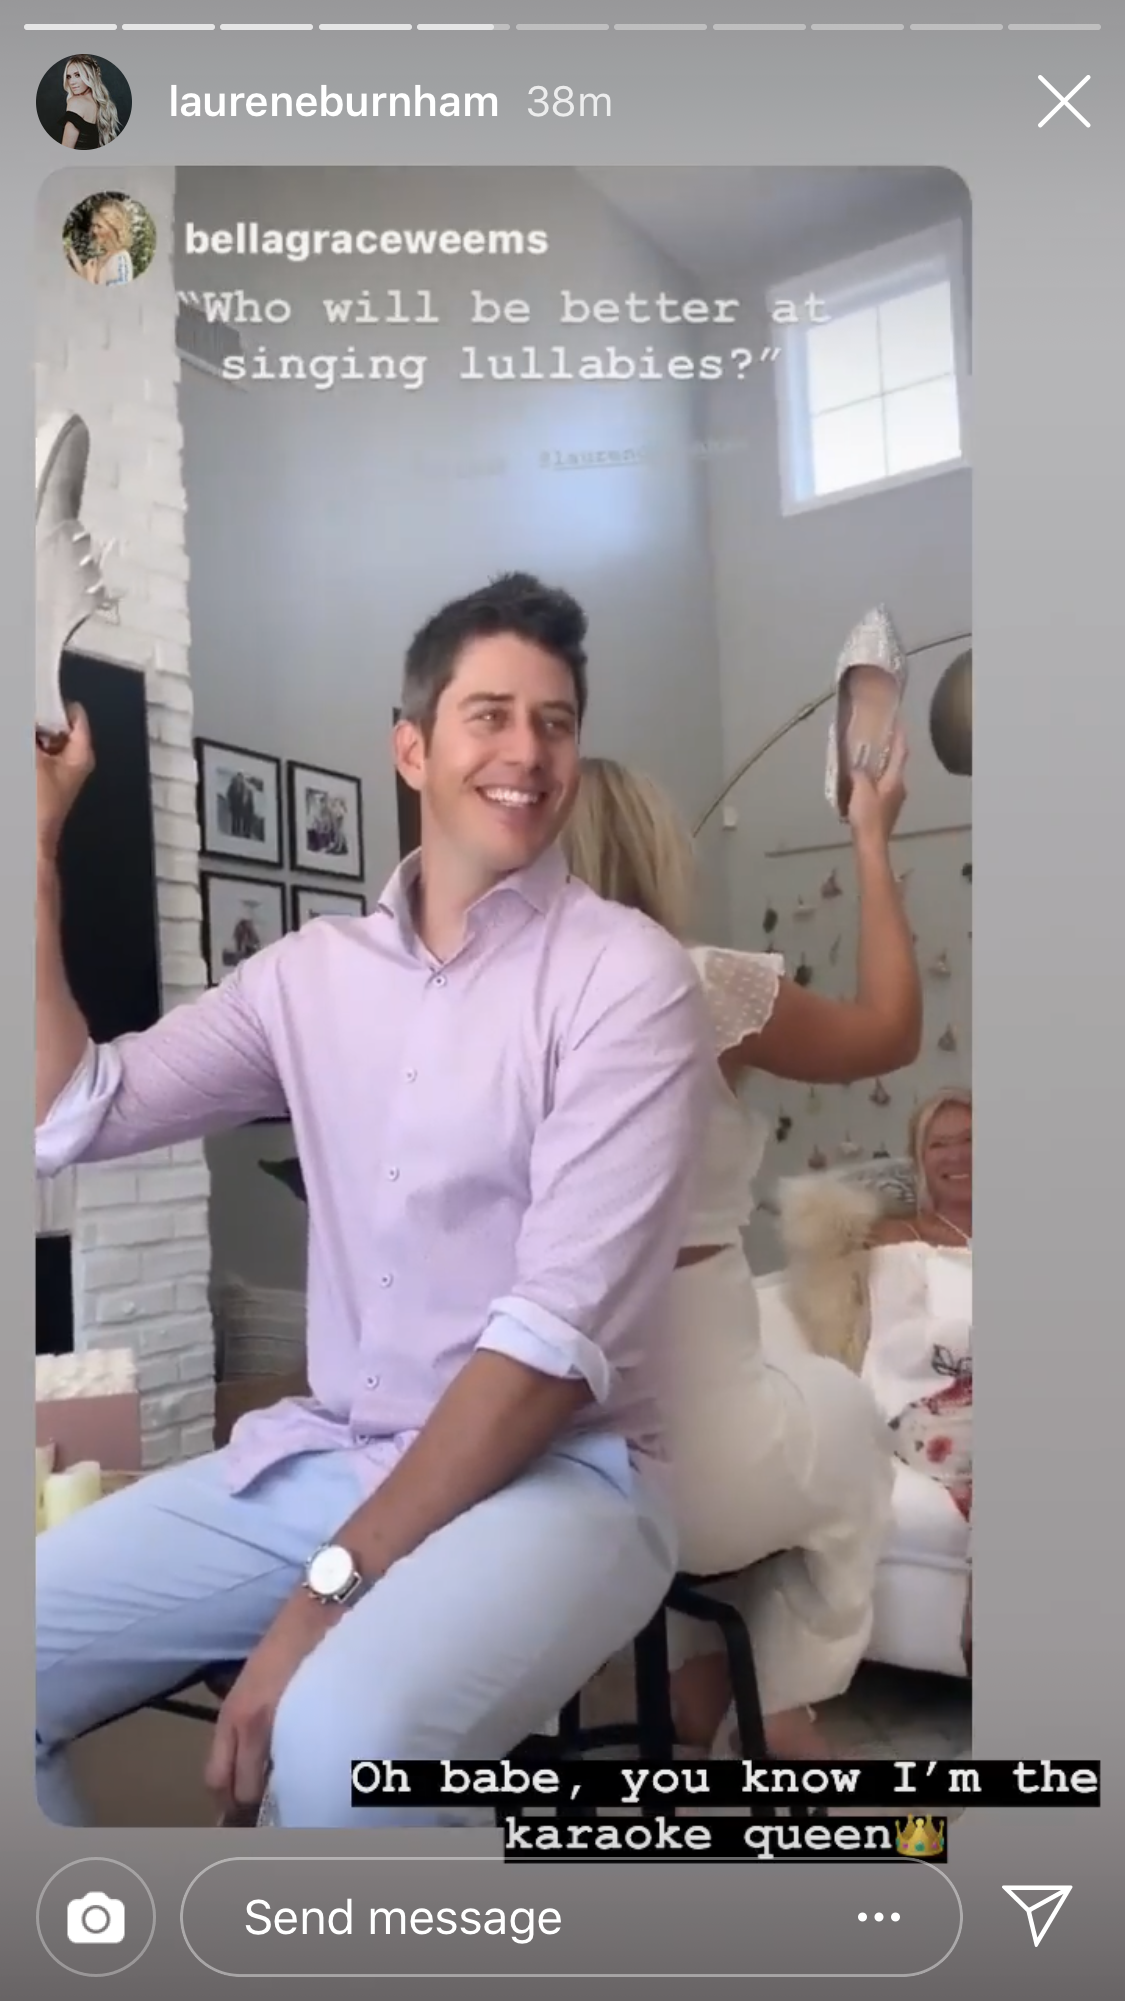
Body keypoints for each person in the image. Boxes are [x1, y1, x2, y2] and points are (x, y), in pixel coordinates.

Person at [35, 559, 714, 1828]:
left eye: (556, 723)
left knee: (347, 1740)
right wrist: (33, 848)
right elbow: (72, 1111)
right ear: (412, 748)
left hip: (566, 1477)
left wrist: (323, 1596)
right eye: (490, 715)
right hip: (339, 1455)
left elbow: (550, 1350)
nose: (529, 752)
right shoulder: (308, 978)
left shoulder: (628, 981)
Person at [561, 744, 921, 1757]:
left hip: (550, 1457)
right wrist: (871, 837)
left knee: (768, 1414)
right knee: (847, 1425)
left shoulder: (487, 1009)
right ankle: (782, 1701)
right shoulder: (699, 987)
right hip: (694, 1463)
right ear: (652, 853)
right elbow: (891, 1031)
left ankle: (699, 1675)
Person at [864, 1088, 972, 1671]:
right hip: (926, 1397)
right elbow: (900, 1343)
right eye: (940, 1144)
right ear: (921, 1160)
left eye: (971, 1139)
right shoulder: (899, 1236)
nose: (958, 1155)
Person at [49, 55, 120, 151]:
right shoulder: (98, 104)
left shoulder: (75, 103)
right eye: (69, 77)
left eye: (77, 75)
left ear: (90, 76)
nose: (72, 82)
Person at [66, 197, 134, 287]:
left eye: (99, 226)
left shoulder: (121, 262)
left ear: (114, 229)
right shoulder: (103, 256)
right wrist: (71, 252)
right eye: (93, 225)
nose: (94, 230)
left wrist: (90, 279)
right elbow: (86, 276)